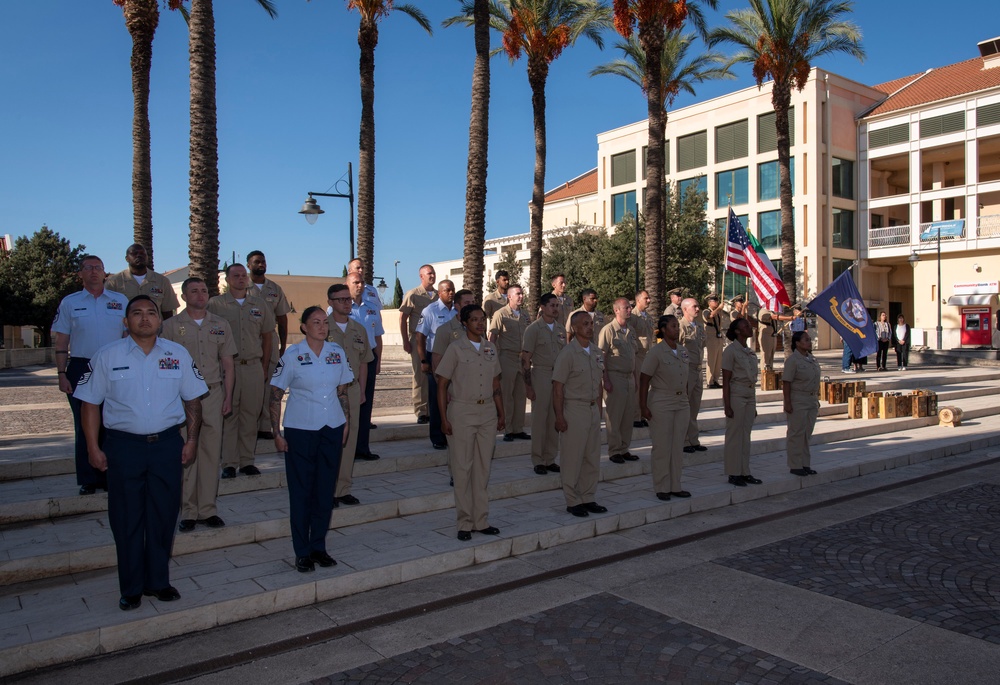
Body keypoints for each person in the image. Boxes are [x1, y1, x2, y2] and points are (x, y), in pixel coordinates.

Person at [74, 295, 207, 611]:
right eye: (137, 313)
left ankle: (158, 581)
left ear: (160, 321)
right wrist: (93, 447)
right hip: (124, 448)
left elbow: (193, 401)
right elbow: (90, 403)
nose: (145, 318)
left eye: (151, 313)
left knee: (163, 516)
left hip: (166, 446)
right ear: (125, 321)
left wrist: (190, 441)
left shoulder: (177, 354)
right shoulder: (107, 356)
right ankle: (131, 587)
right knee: (126, 518)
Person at [269, 307, 353, 573]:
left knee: (324, 491)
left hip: (331, 427)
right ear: (304, 327)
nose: (321, 326)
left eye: (324, 322)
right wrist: (276, 433)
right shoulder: (292, 355)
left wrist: (346, 423)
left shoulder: (336, 353)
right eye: (315, 322)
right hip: (301, 429)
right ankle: (302, 551)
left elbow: (342, 390)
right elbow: (275, 393)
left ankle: (319, 547)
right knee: (301, 492)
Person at [160, 277, 237, 531]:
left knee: (211, 452)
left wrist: (227, 396)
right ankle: (188, 511)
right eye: (194, 291)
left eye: (204, 290)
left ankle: (208, 509)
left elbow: (227, 364)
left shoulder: (220, 324)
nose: (200, 295)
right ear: (183, 296)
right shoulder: (170, 326)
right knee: (186, 453)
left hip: (212, 393)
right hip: (182, 397)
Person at [52, 255, 129, 495]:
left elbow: (129, 336)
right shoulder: (70, 303)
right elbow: (62, 339)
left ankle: (109, 475)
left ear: (105, 273)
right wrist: (61, 373)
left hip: (114, 367)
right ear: (81, 274)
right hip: (80, 367)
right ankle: (88, 478)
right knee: (83, 424)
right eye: (88, 268)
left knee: (112, 421)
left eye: (98, 268)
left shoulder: (120, 301)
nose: (94, 272)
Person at [436, 305, 505, 540]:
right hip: (462, 412)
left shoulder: (490, 348)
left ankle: (481, 520)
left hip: (487, 412)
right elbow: (442, 384)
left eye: (482, 319)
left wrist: (501, 413)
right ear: (464, 323)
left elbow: (496, 384)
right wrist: (443, 418)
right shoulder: (456, 348)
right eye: (474, 320)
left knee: (483, 469)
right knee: (463, 469)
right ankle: (464, 523)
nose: (479, 323)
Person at [208, 264, 274, 478]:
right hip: (228, 368)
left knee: (250, 414)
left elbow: (267, 337)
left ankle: (247, 461)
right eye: (235, 275)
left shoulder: (259, 304)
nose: (240, 279)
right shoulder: (216, 305)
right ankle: (229, 463)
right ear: (227, 280)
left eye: (243, 275)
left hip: (253, 367)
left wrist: (264, 367)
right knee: (229, 415)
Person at [553, 311, 609, 517]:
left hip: (592, 409)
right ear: (574, 328)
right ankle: (572, 500)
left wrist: (599, 412)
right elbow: (557, 387)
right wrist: (559, 416)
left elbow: (599, 383)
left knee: (592, 457)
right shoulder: (567, 354)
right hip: (574, 409)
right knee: (572, 457)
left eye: (591, 323)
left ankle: (588, 496)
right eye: (585, 324)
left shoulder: (595, 351)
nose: (589, 326)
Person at [326, 283, 373, 506]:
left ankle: (342, 489)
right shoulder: (322, 328)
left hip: (352, 390)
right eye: (341, 299)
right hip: (327, 392)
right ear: (330, 302)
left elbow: (364, 362)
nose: (346, 303)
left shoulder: (359, 329)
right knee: (328, 439)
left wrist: (362, 390)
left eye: (348, 299)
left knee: (349, 439)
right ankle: (326, 489)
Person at [639, 315, 691, 501]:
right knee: (662, 446)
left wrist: (686, 399)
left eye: (678, 326)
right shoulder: (656, 352)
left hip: (681, 403)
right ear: (663, 329)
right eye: (673, 326)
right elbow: (644, 380)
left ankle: (675, 485)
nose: (677, 329)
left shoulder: (683, 351)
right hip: (661, 401)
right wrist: (643, 406)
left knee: (677, 446)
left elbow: (684, 379)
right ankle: (662, 486)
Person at [247, 250, 291, 440]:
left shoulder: (274, 289)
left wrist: (282, 346)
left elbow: (282, 319)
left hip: (270, 342)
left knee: (269, 384)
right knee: (249, 384)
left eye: (263, 261)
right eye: (257, 262)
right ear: (249, 265)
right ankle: (249, 425)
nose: (261, 264)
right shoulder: (242, 287)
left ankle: (265, 426)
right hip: (248, 340)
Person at [521, 293, 565, 475]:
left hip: (558, 377)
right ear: (543, 307)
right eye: (552, 305)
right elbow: (525, 359)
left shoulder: (561, 329)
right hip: (541, 374)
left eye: (557, 305)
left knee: (555, 418)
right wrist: (528, 386)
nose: (555, 309)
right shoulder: (533, 329)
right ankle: (538, 459)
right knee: (540, 420)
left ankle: (550, 458)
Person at [416, 280, 458, 450]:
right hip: (436, 358)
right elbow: (420, 337)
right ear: (439, 293)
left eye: (453, 290)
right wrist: (423, 360)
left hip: (456, 359)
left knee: (453, 398)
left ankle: (452, 434)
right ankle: (437, 437)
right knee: (437, 398)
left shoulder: (457, 311)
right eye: (447, 290)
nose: (451, 293)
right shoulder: (430, 311)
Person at [597, 297, 638, 464]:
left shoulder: (630, 330)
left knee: (628, 416)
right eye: (626, 307)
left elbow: (633, 356)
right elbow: (602, 356)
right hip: (615, 376)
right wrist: (605, 379)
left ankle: (624, 448)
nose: (629, 310)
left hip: (629, 377)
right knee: (615, 416)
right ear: (616, 310)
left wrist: (635, 378)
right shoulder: (608, 330)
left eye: (630, 307)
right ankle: (614, 450)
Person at [722, 318, 761, 487]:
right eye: (745, 326)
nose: (749, 327)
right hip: (736, 394)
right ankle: (733, 472)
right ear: (737, 331)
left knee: (746, 435)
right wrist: (727, 405)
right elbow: (726, 380)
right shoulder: (730, 351)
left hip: (749, 393)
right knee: (734, 436)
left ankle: (745, 471)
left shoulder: (749, 351)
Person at [489, 284, 531, 442]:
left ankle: (518, 428)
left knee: (520, 395)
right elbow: (492, 337)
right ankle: (507, 429)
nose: (521, 296)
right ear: (509, 297)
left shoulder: (525, 315)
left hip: (522, 359)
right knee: (507, 395)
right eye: (518, 294)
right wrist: (492, 359)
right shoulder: (501, 314)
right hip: (507, 357)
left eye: (522, 294)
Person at [399, 264, 437, 423]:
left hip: (435, 340)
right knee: (420, 375)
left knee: (437, 374)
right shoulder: (413, 294)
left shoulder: (438, 295)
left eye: (433, 273)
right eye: (429, 273)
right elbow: (403, 318)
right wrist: (405, 341)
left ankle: (434, 408)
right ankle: (421, 411)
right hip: (418, 339)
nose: (432, 276)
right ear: (421, 276)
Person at [104, 243, 180, 319]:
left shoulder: (162, 281)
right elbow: (105, 309)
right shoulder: (114, 282)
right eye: (134, 253)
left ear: (147, 257)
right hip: (124, 330)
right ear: (127, 258)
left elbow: (168, 313)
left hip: (155, 330)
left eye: (142, 253)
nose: (139, 255)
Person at [783, 330, 820, 477]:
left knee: (806, 434)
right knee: (796, 433)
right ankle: (795, 464)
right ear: (797, 343)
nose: (809, 342)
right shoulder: (793, 360)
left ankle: (805, 463)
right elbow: (786, 383)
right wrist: (787, 403)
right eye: (806, 340)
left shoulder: (812, 359)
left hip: (811, 399)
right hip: (798, 399)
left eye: (809, 339)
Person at [678, 298, 707, 454]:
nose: (697, 308)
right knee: (685, 406)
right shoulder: (681, 326)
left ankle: (693, 440)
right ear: (685, 309)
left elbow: (702, 346)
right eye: (694, 306)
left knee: (695, 406)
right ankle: (683, 441)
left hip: (697, 370)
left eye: (697, 305)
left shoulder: (699, 327)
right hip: (686, 370)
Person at [629, 289, 656, 426]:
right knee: (638, 386)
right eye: (646, 298)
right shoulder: (633, 317)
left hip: (648, 355)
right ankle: (635, 416)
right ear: (638, 300)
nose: (649, 300)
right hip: (638, 355)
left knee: (647, 386)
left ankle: (643, 413)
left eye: (649, 298)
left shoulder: (648, 317)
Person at [702, 294, 729, 388]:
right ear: (710, 302)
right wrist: (719, 308)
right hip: (711, 338)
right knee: (712, 360)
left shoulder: (719, 312)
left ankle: (715, 379)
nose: (717, 302)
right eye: (715, 301)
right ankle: (709, 381)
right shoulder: (706, 311)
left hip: (718, 338)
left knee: (718, 361)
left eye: (717, 301)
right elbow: (710, 316)